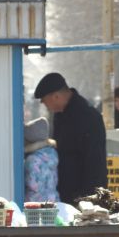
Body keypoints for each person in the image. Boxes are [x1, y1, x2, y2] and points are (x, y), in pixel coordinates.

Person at [35, 72, 107, 205]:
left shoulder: (88, 116)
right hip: (65, 193)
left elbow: (95, 162)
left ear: (56, 96)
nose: (46, 107)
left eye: (45, 102)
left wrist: (89, 200)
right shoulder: (60, 114)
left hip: (85, 197)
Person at [24, 117, 59, 202]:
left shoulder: (32, 160)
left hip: (36, 202)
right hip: (52, 199)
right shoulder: (52, 154)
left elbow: (33, 184)